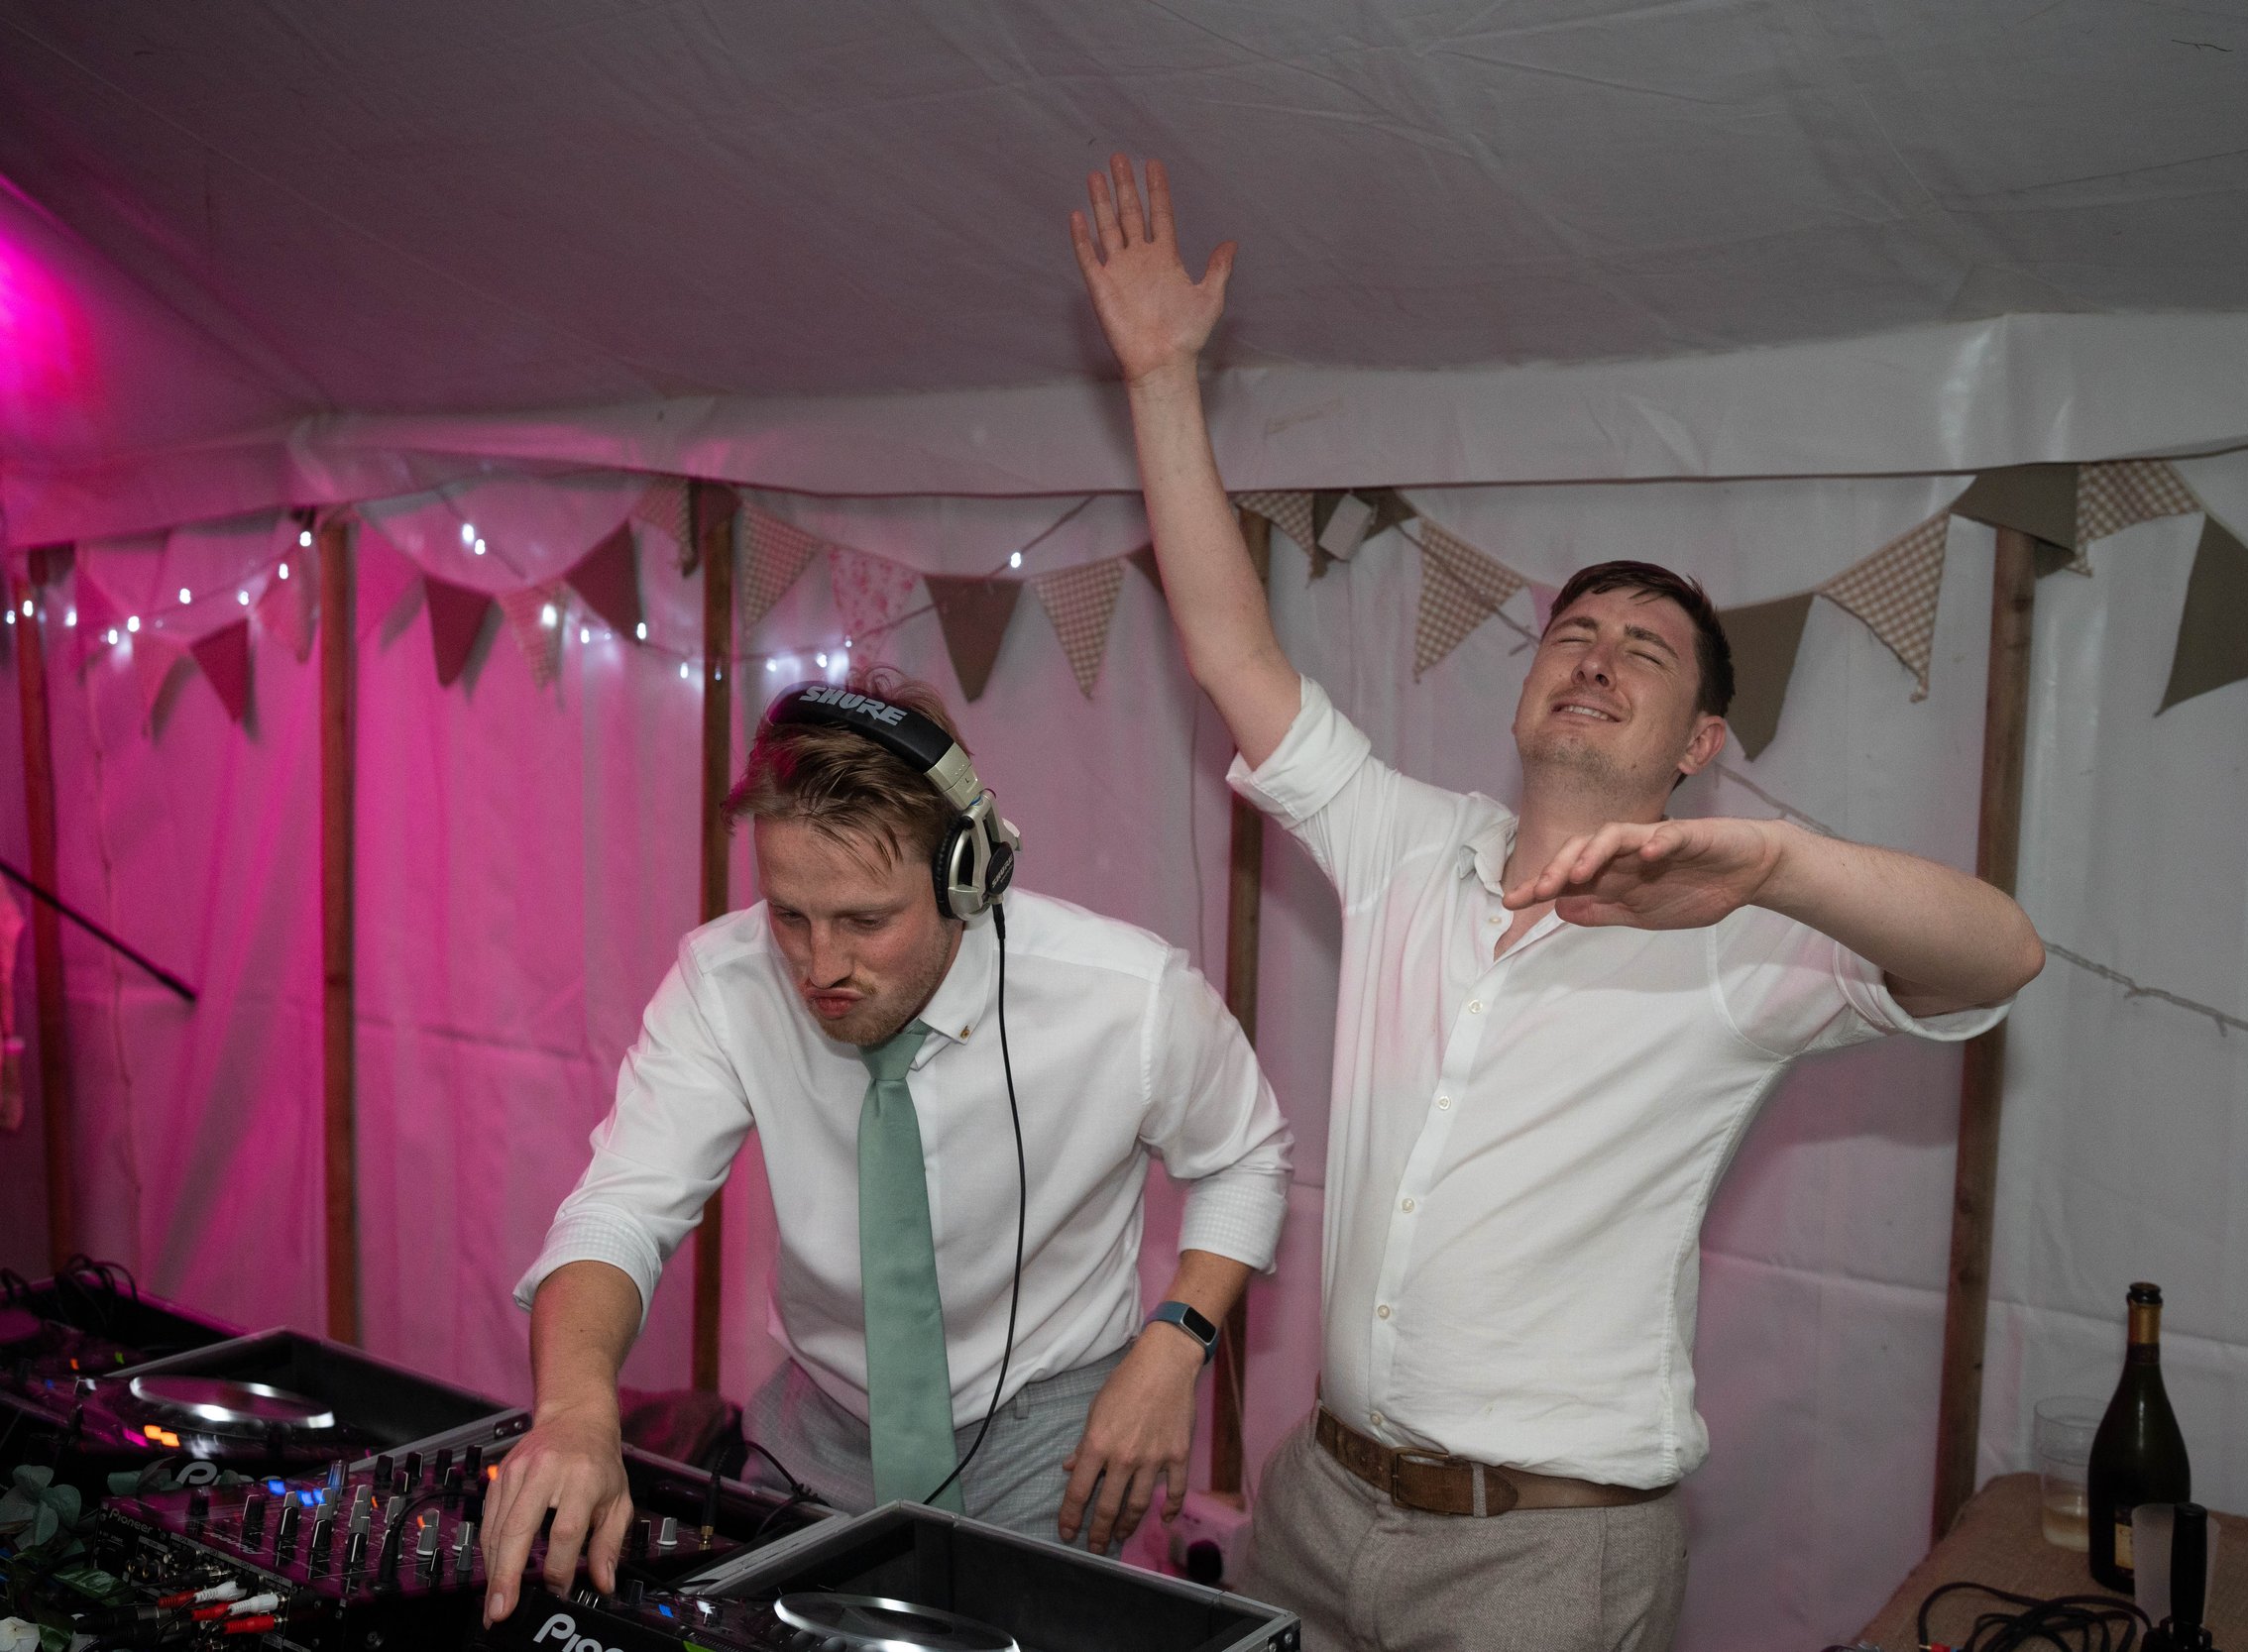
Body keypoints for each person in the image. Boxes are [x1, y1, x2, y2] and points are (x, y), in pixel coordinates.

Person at [1069, 156, 2046, 1652]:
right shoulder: (1408, 843)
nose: (1595, 656)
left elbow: (2003, 951)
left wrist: (1778, 861)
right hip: (1317, 1505)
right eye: (1574, 631)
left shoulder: (1738, 923)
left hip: (1548, 1556)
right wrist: (1157, 381)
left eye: (1646, 652)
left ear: (1701, 742)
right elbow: (1230, 651)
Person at [478, 670, 1293, 1624]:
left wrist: (1176, 1341)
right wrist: (575, 1407)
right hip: (818, 1428)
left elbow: (1247, 1155)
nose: (820, 966)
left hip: (1057, 1443)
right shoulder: (723, 980)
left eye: (866, 920)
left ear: (966, 874)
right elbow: (623, 1204)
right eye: (789, 914)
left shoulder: (1129, 996)